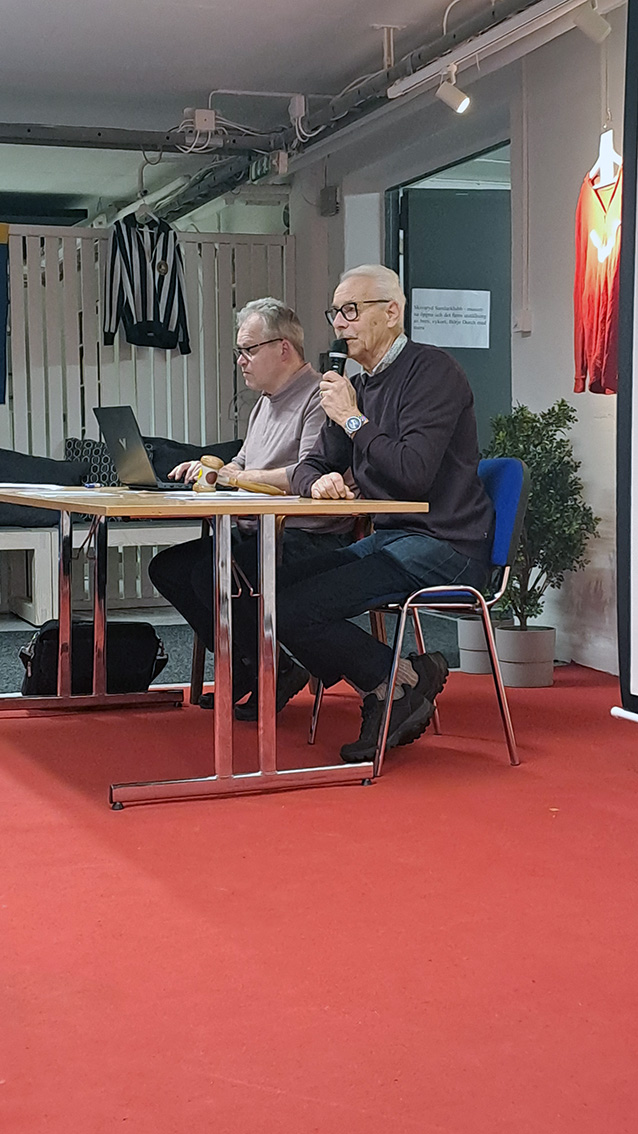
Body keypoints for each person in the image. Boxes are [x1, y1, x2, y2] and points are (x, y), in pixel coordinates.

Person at [266, 263, 495, 762]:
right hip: (392, 537)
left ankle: (390, 687)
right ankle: (405, 678)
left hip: (446, 542)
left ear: (391, 312)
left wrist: (352, 418)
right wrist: (317, 481)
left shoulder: (433, 372)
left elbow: (413, 473)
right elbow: (311, 465)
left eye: (350, 310)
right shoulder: (358, 384)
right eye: (334, 313)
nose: (339, 323)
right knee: (273, 593)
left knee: (298, 608)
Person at [148, 297, 353, 715]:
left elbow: (306, 474)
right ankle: (246, 663)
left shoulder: (319, 398)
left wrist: (233, 478)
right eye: (239, 351)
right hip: (258, 531)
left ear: (283, 348)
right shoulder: (265, 400)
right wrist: (210, 470)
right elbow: (241, 464)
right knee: (167, 569)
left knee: (213, 574)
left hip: (309, 535)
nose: (241, 360)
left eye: (249, 350)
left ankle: (274, 669)